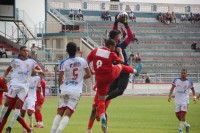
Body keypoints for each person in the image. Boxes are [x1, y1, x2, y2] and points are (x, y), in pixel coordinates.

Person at [87, 13, 143, 133]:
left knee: (104, 100)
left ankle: (96, 123)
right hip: (116, 71)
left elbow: (130, 35)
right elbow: (128, 36)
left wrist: (121, 23)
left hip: (110, 74)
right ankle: (102, 119)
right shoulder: (115, 47)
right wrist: (118, 23)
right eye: (118, 36)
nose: (120, 37)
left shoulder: (110, 47)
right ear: (114, 39)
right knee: (110, 96)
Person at [0, 46, 43, 133]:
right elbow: (8, 69)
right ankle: (1, 121)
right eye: (24, 51)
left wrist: (35, 71)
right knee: (7, 104)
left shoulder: (32, 62)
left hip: (24, 87)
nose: (26, 52)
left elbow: (41, 70)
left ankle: (10, 127)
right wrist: (4, 77)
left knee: (17, 107)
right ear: (20, 52)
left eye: (27, 51)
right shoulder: (16, 61)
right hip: (14, 85)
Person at [50, 42, 91, 133]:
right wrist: (81, 78)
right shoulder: (82, 61)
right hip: (76, 91)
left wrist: (61, 88)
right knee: (68, 114)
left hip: (65, 89)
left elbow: (60, 78)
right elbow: (89, 74)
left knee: (60, 112)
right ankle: (58, 132)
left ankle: (52, 131)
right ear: (77, 50)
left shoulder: (64, 63)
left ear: (66, 51)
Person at [168, 69, 197, 133]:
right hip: (177, 101)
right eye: (182, 73)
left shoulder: (189, 82)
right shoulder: (176, 80)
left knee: (182, 115)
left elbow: (193, 90)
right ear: (180, 74)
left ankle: (180, 129)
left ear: (186, 74)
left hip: (185, 101)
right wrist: (169, 96)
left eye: (184, 73)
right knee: (178, 115)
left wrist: (194, 97)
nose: (182, 74)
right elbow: (172, 88)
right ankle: (187, 125)